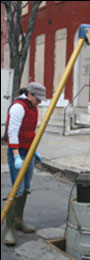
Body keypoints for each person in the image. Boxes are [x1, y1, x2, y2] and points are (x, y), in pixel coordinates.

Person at [3, 82, 46, 246]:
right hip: (17, 152)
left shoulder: (33, 108)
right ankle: (8, 228)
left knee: (26, 186)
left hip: (27, 151)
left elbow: (30, 131)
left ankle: (18, 221)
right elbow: (12, 132)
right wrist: (16, 156)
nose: (40, 102)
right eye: (38, 98)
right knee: (17, 189)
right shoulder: (18, 107)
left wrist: (34, 151)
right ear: (30, 94)